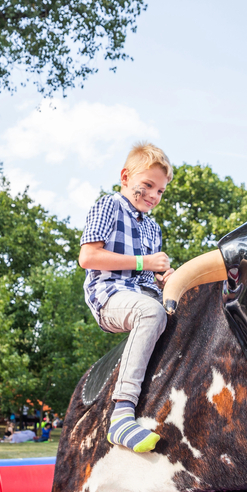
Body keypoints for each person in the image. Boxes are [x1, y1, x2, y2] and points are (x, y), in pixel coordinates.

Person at [78, 142, 175, 454]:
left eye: (160, 191)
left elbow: (149, 279)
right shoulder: (109, 207)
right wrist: (143, 263)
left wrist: (165, 280)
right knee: (150, 313)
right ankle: (121, 414)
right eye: (147, 185)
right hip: (110, 296)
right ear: (125, 176)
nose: (153, 196)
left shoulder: (153, 227)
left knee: (182, 313)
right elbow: (88, 257)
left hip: (143, 295)